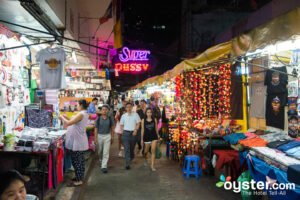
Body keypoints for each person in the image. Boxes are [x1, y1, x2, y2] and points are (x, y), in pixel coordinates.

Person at [59, 99, 89, 186]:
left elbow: (69, 123)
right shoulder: (82, 113)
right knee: (77, 160)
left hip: (78, 141)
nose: (77, 106)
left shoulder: (82, 114)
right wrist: (65, 116)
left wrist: (62, 118)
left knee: (77, 161)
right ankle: (78, 176)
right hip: (77, 140)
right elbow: (72, 120)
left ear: (81, 105)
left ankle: (79, 180)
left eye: (77, 105)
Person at [120, 102, 141, 169]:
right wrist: (123, 131)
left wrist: (135, 130)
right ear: (125, 108)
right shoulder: (123, 116)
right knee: (126, 149)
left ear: (132, 107)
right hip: (125, 134)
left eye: (130, 107)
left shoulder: (135, 115)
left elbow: (138, 123)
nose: (129, 108)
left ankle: (131, 157)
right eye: (127, 107)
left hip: (133, 133)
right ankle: (127, 163)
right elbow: (121, 124)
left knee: (132, 148)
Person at [94, 104, 114, 173]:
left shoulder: (110, 118)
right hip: (99, 136)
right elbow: (96, 129)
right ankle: (100, 159)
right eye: (103, 109)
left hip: (107, 136)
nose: (104, 111)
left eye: (106, 110)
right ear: (101, 110)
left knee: (106, 152)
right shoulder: (98, 119)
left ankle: (104, 166)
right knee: (100, 151)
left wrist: (112, 137)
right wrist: (95, 138)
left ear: (108, 111)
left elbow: (112, 128)